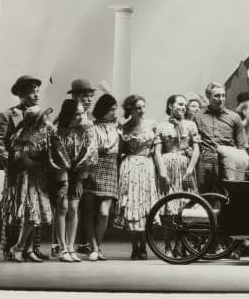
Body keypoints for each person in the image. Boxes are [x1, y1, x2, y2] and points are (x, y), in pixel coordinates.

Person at [0, 74, 42, 260]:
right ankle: (9, 248)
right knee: (14, 207)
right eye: (32, 92)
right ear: (21, 94)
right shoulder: (8, 115)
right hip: (16, 170)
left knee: (33, 207)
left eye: (37, 91)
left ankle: (30, 248)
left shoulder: (41, 115)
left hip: (35, 169)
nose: (36, 95)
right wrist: (8, 160)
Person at [116, 94, 164, 260]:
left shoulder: (152, 124)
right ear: (130, 109)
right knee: (132, 204)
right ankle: (134, 246)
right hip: (130, 166)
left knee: (144, 205)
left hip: (146, 166)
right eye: (138, 108)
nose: (142, 110)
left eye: (143, 106)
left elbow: (157, 149)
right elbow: (120, 151)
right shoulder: (124, 128)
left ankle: (143, 245)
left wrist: (160, 169)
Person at [6, 105, 56, 262]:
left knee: (37, 215)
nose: (46, 119)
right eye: (42, 117)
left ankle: (28, 249)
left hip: (40, 178)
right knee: (31, 215)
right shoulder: (23, 136)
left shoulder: (46, 131)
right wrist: (39, 164)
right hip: (28, 179)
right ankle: (18, 247)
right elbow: (24, 160)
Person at [50, 98, 95, 263]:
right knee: (62, 207)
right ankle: (62, 248)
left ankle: (70, 247)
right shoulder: (57, 131)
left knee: (74, 208)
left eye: (82, 113)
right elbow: (56, 156)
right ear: (68, 114)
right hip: (61, 171)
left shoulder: (86, 130)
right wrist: (65, 179)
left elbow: (90, 153)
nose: (80, 117)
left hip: (78, 171)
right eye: (77, 114)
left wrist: (80, 178)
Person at [85, 94, 122, 261]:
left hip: (110, 168)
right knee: (89, 211)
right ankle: (94, 247)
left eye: (115, 109)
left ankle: (97, 245)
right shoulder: (91, 127)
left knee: (104, 213)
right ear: (103, 109)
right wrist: (97, 151)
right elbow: (88, 149)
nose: (114, 112)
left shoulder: (117, 128)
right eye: (111, 109)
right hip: (93, 167)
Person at [194, 82, 245, 192]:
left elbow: (241, 146)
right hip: (205, 163)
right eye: (217, 96)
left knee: (229, 193)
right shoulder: (197, 117)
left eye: (223, 95)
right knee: (206, 194)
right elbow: (193, 143)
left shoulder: (234, 117)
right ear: (208, 96)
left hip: (228, 163)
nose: (221, 99)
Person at [68, 79, 98, 256]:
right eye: (85, 96)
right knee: (66, 207)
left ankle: (82, 243)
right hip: (68, 168)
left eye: (90, 96)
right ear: (75, 97)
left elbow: (91, 149)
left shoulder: (92, 118)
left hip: (86, 169)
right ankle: (62, 245)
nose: (89, 99)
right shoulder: (68, 116)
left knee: (85, 206)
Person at [156, 93, 201, 193]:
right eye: (180, 104)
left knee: (186, 196)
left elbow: (196, 150)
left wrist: (190, 171)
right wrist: (162, 171)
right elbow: (157, 152)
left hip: (185, 165)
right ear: (170, 105)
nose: (184, 107)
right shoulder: (161, 126)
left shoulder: (191, 125)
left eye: (185, 105)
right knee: (168, 196)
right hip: (167, 165)